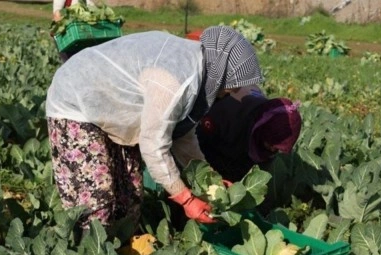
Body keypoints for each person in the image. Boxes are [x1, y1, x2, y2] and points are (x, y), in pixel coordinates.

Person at [45, 26, 263, 241]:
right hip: (75, 99)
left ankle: (117, 254)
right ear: (221, 72)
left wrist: (210, 178)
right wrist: (186, 200)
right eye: (231, 86)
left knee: (128, 196)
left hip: (110, 105)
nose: (231, 92)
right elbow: (153, 145)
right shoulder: (175, 79)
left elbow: (182, 136)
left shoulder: (197, 68)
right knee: (97, 199)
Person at [196, 85, 302, 183]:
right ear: (262, 130)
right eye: (271, 144)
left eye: (277, 148)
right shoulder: (226, 114)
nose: (273, 150)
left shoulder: (265, 124)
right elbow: (196, 145)